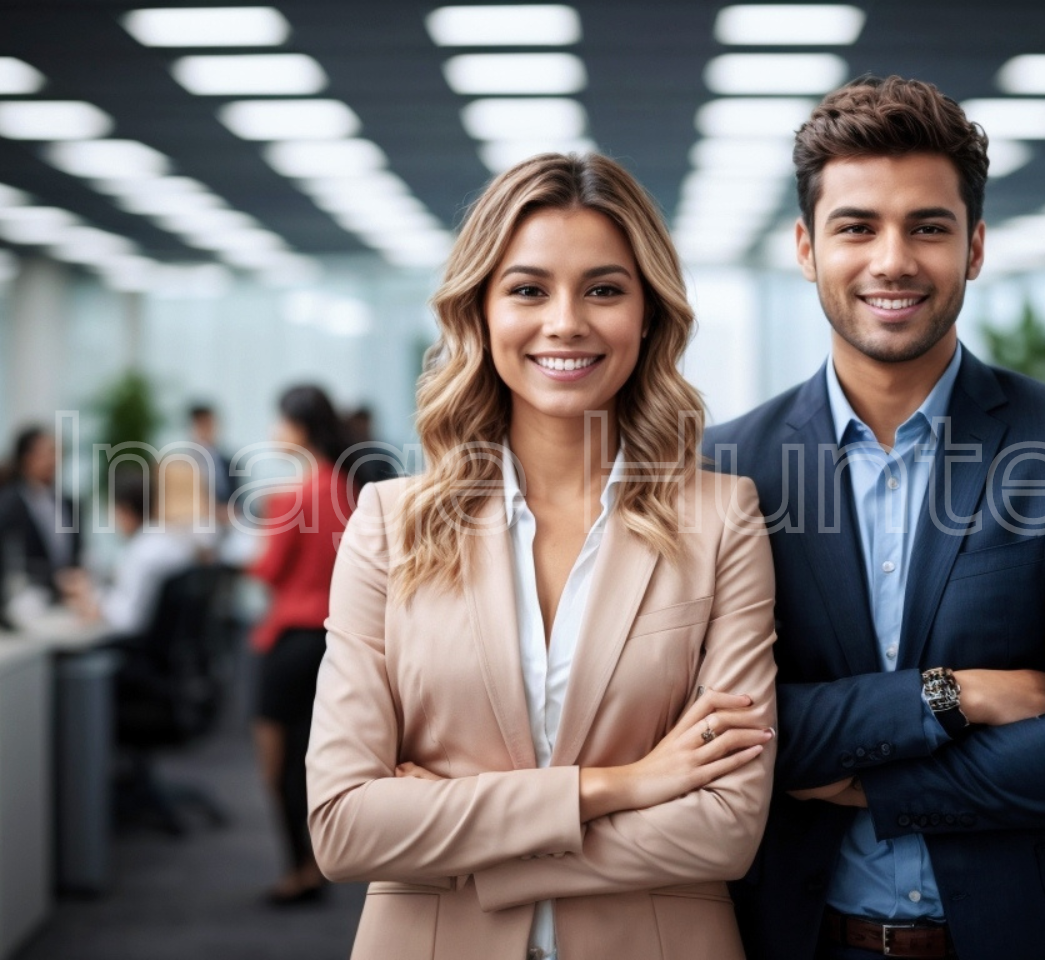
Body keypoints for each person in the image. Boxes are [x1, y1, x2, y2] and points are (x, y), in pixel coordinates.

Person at [705, 76, 1045, 960]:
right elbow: (713, 732)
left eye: (928, 226)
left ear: (974, 248)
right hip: (799, 936)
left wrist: (867, 784)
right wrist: (955, 693)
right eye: (857, 227)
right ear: (807, 248)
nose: (893, 259)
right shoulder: (724, 469)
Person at [307, 153, 777, 960]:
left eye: (603, 289)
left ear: (648, 314)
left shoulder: (721, 519)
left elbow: (724, 830)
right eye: (528, 289)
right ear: (480, 311)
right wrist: (621, 786)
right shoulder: (388, 524)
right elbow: (345, 826)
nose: (566, 321)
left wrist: (474, 849)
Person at [248, 385, 351, 905]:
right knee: (313, 756)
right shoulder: (347, 488)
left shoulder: (291, 496)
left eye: (280, 422)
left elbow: (269, 571)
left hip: (288, 640)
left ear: (300, 428)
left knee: (278, 763)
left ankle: (299, 870)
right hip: (334, 640)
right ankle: (320, 861)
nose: (274, 432)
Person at [57, 462, 202, 636]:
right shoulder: (173, 543)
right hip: (174, 646)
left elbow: (129, 620)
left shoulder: (140, 553)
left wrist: (90, 597)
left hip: (144, 649)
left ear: (124, 510)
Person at [0, 425, 83, 601]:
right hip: (25, 601)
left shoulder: (70, 504)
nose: (54, 460)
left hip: (67, 602)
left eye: (57, 453)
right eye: (48, 453)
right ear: (27, 457)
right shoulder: (8, 505)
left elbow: (77, 554)